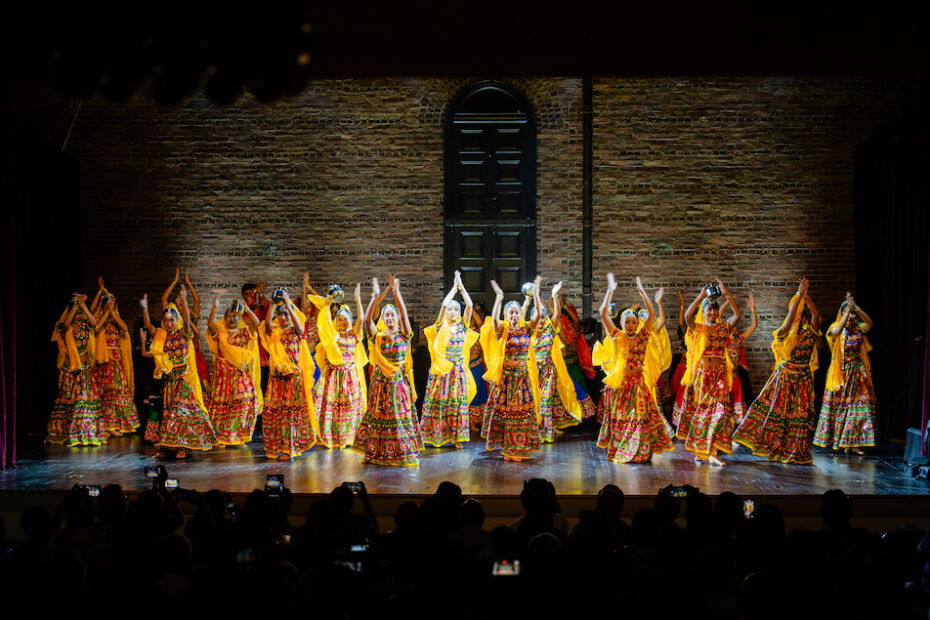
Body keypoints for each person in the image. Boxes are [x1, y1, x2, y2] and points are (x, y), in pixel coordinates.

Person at [734, 278, 822, 464]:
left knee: (801, 417)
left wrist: (806, 296)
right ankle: (776, 449)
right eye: (795, 311)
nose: (797, 315)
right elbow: (789, 321)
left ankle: (797, 453)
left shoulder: (809, 332)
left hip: (803, 380)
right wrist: (797, 296)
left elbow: (817, 317)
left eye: (800, 312)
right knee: (780, 416)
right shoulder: (784, 332)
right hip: (785, 380)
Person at [594, 274, 674, 463]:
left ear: (637, 324)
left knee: (640, 418)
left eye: (633, 322)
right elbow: (603, 313)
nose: (630, 325)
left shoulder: (643, 337)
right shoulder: (617, 337)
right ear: (621, 323)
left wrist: (642, 292)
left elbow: (653, 315)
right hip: (621, 385)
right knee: (621, 420)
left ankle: (640, 452)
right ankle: (623, 450)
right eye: (627, 322)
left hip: (638, 385)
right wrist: (610, 291)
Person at [353, 276, 422, 466]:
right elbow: (367, 320)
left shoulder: (404, 334)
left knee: (398, 417)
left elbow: (402, 310)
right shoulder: (378, 336)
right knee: (379, 416)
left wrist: (395, 291)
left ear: (397, 318)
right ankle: (378, 452)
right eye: (387, 315)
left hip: (398, 384)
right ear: (383, 319)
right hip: (379, 384)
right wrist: (374, 297)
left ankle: (401, 451)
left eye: (393, 315)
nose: (390, 317)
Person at [140, 286, 216, 458]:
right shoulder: (161, 335)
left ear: (177, 320)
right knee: (168, 413)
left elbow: (188, 320)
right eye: (166, 320)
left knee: (180, 412)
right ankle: (168, 446)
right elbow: (148, 326)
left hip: (183, 380)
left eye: (171, 320)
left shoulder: (184, 334)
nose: (169, 323)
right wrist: (145, 309)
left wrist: (185, 303)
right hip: (168, 382)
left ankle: (182, 447)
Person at [674, 278, 741, 466]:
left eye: (714, 309)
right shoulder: (699, 328)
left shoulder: (723, 328)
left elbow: (738, 315)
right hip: (703, 376)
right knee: (703, 414)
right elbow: (687, 317)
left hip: (719, 375)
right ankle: (704, 449)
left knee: (722, 413)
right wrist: (701, 296)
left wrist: (726, 294)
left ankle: (713, 450)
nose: (712, 312)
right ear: (704, 312)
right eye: (708, 309)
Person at [481, 276, 542, 461]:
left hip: (522, 379)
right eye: (511, 313)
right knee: (506, 415)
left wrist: (536, 294)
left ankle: (519, 449)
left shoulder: (527, 330)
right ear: (507, 316)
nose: (514, 316)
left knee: (521, 415)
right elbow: (493, 322)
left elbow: (538, 314)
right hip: (506, 380)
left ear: (520, 315)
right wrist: (499, 298)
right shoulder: (504, 332)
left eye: (517, 313)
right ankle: (508, 449)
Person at [420, 270, 478, 449]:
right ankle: (433, 436)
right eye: (451, 309)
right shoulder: (440, 326)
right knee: (437, 403)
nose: (452, 311)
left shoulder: (462, 326)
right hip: (441, 372)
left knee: (456, 404)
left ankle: (456, 438)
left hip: (457, 372)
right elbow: (444, 306)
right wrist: (453, 289)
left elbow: (469, 305)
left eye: (455, 309)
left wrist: (462, 288)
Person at [258, 289, 317, 460]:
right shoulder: (274, 331)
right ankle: (274, 448)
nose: (283, 318)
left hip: (292, 380)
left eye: (286, 315)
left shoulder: (296, 332)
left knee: (289, 415)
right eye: (281, 315)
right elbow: (267, 323)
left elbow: (299, 326)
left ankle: (289, 449)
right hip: (276, 380)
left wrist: (288, 303)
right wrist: (273, 303)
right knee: (274, 414)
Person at [814, 292, 876, 454]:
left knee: (860, 408)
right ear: (841, 314)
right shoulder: (835, 328)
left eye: (852, 314)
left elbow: (870, 324)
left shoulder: (858, 329)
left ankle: (854, 443)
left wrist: (857, 308)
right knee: (841, 409)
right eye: (847, 314)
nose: (851, 317)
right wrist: (847, 311)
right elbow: (837, 331)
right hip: (841, 375)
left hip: (858, 373)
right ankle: (842, 442)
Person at [310, 283, 368, 448]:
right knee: (332, 407)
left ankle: (348, 437)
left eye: (345, 319)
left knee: (349, 406)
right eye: (340, 319)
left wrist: (357, 299)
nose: (342, 322)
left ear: (350, 320)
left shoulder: (353, 334)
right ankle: (331, 437)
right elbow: (324, 322)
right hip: (333, 375)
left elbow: (362, 319)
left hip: (349, 375)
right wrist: (328, 302)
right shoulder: (333, 334)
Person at [47, 292, 107, 446]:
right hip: (70, 370)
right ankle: (69, 434)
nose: (79, 313)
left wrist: (83, 306)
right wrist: (76, 304)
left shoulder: (86, 325)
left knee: (83, 400)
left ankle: (85, 434)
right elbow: (66, 324)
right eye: (76, 310)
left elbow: (95, 323)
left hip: (85, 370)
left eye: (80, 310)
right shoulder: (63, 326)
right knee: (68, 402)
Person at [531, 280, 584, 442]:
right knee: (536, 401)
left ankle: (545, 433)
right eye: (537, 317)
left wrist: (554, 296)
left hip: (548, 373)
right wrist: (534, 293)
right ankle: (537, 430)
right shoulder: (528, 331)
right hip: (533, 374)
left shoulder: (550, 330)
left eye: (543, 317)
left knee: (545, 400)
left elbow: (556, 315)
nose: (541, 320)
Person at [206, 295, 262, 446]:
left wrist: (247, 309)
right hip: (223, 375)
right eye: (229, 316)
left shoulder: (244, 333)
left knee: (243, 402)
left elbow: (256, 323)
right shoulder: (221, 333)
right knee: (222, 406)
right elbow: (210, 323)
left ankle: (237, 436)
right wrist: (214, 307)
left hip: (239, 374)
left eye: (235, 317)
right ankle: (221, 438)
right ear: (225, 318)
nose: (232, 319)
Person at [92, 281, 139, 436]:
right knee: (104, 392)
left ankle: (117, 425)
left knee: (118, 392)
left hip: (116, 362)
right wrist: (106, 312)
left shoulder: (115, 320)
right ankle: (105, 426)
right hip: (103, 362)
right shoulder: (100, 319)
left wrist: (112, 313)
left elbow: (124, 328)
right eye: (107, 305)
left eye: (111, 305)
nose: (109, 307)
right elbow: (96, 328)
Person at [557, 292, 597, 419]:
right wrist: (558, 308)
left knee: (579, 388)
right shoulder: (558, 329)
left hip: (573, 363)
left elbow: (576, 320)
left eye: (566, 316)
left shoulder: (574, 327)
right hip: (562, 364)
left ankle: (582, 416)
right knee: (564, 390)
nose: (564, 318)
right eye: (562, 317)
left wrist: (565, 306)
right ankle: (567, 415)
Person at [242, 281, 272, 391]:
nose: (251, 296)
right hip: (247, 346)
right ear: (243, 296)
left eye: (253, 293)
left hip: (262, 346)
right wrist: (256, 291)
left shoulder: (260, 309)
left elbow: (270, 307)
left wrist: (260, 293)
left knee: (264, 377)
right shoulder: (241, 308)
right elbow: (247, 305)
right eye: (248, 294)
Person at [467, 302, 490, 431]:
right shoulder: (463, 332)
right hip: (467, 366)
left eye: (472, 317)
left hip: (478, 364)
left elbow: (481, 323)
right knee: (470, 393)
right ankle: (469, 423)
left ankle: (479, 422)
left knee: (480, 393)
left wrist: (471, 308)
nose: (470, 320)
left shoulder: (478, 331)